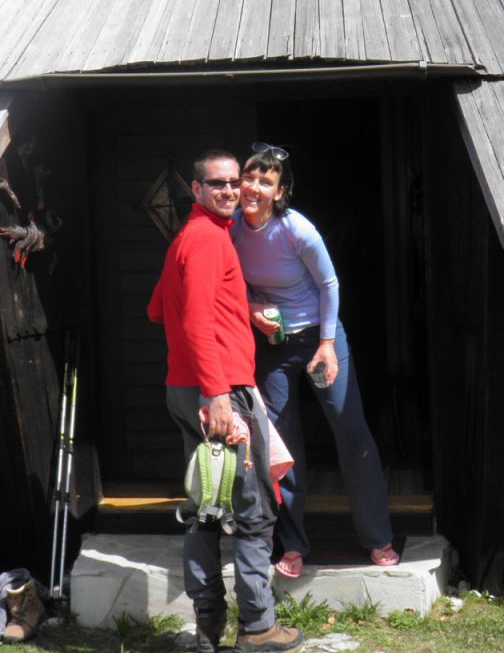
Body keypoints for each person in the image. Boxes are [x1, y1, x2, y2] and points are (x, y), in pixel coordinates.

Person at [147, 149, 303, 653]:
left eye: (236, 182)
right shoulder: (210, 241)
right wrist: (216, 394)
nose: (231, 191)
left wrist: (241, 310)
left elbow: (157, 310)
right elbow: (193, 320)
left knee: (206, 508)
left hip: (183, 387)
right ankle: (258, 627)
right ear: (195, 189)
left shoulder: (185, 241)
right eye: (217, 184)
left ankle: (208, 625)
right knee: (253, 510)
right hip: (219, 392)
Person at [232, 143, 399, 579]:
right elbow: (229, 284)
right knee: (280, 446)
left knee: (351, 430)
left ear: (280, 191)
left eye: (264, 181)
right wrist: (252, 311)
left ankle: (377, 537)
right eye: (249, 177)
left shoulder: (296, 230)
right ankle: (293, 545)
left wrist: (327, 344)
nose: (253, 187)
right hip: (274, 343)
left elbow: (329, 283)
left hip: (321, 338)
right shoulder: (230, 228)